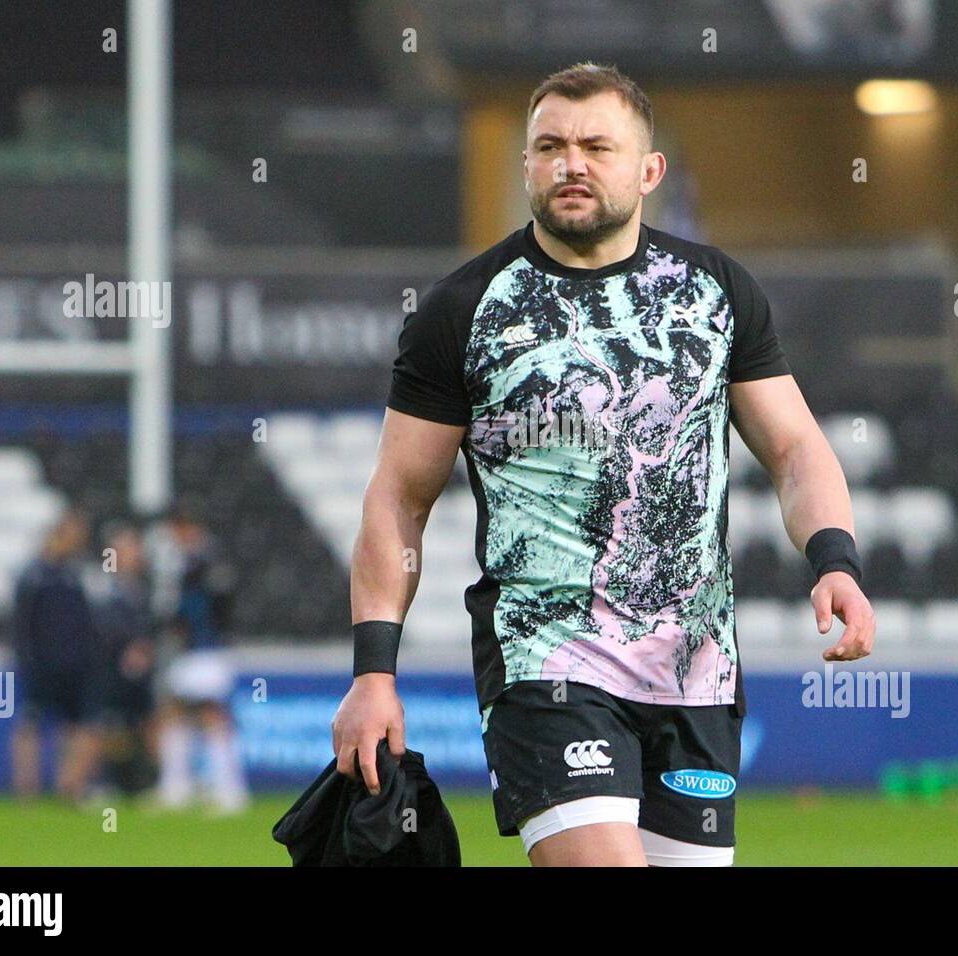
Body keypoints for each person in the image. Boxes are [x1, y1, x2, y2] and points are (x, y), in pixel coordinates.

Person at [332, 62, 876, 866]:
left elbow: (795, 447)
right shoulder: (461, 309)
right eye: (549, 146)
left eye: (596, 146)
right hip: (546, 662)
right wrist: (373, 673)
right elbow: (398, 499)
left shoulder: (717, 292)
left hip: (693, 670)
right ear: (525, 165)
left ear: (649, 170)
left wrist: (835, 558)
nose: (570, 164)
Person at [149, 503, 248, 814]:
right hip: (192, 651)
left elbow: (205, 609)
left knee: (210, 714)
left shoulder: (204, 561)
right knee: (174, 711)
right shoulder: (195, 561)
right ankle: (177, 786)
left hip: (205, 650)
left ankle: (229, 790)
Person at [10, 507, 103, 802]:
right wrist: (24, 660)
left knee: (78, 726)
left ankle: (70, 786)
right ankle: (27, 789)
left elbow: (87, 622)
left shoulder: (77, 574)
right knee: (31, 725)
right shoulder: (34, 576)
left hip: (77, 664)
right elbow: (20, 624)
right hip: (42, 663)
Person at [87, 521, 157, 795]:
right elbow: (100, 627)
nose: (135, 555)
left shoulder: (142, 587)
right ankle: (101, 782)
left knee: (144, 721)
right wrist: (126, 648)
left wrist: (144, 648)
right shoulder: (102, 585)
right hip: (108, 668)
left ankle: (151, 782)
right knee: (106, 726)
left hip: (139, 670)